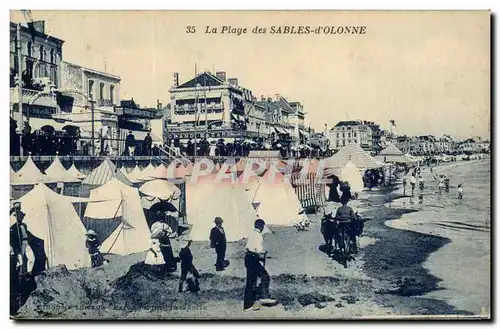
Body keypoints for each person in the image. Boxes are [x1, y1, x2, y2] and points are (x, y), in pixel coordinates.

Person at [243, 219, 277, 312]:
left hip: (249, 258)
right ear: (261, 227)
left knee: (252, 281)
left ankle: (250, 303)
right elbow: (258, 250)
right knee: (264, 277)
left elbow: (249, 247)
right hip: (253, 259)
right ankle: (263, 297)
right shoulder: (258, 236)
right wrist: (263, 251)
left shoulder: (252, 234)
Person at [10, 202, 29, 274]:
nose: (20, 218)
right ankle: (21, 273)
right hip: (19, 244)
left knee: (26, 259)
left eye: (21, 216)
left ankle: (26, 272)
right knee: (21, 259)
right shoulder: (14, 227)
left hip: (25, 243)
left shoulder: (24, 225)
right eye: (19, 216)